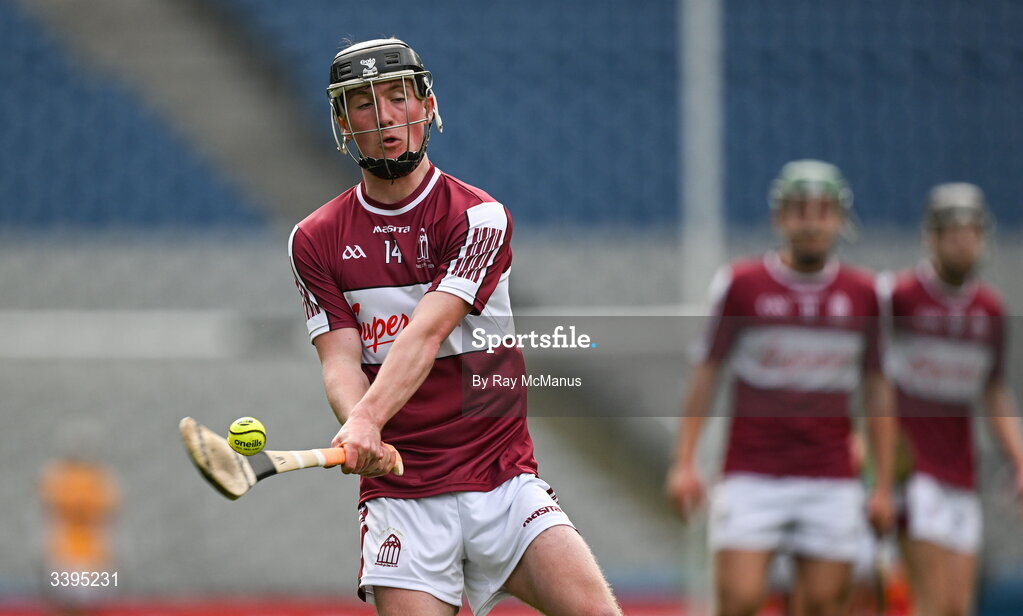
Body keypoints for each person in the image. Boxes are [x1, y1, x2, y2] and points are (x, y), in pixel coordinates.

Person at [288, 38, 622, 616]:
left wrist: (367, 417)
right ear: (342, 121)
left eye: (398, 97)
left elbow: (426, 332)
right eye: (364, 104)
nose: (386, 117)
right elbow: (339, 361)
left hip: (502, 480)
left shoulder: (478, 218)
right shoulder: (314, 239)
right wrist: (360, 429)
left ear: (428, 105)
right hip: (402, 496)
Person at [665, 160, 896, 616]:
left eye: (822, 210)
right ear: (779, 218)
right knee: (740, 600)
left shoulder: (865, 293)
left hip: (830, 476)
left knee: (825, 605)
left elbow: (878, 390)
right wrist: (684, 461)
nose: (811, 221)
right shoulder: (741, 285)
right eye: (799, 209)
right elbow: (706, 373)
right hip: (753, 471)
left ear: (839, 219)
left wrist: (883, 485)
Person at [881, 183, 1023, 616]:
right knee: (931, 603)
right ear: (932, 236)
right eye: (954, 231)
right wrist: (881, 466)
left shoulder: (990, 311)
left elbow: (993, 391)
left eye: (972, 231)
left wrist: (1019, 460)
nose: (964, 241)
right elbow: (874, 381)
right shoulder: (900, 298)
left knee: (958, 608)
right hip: (915, 472)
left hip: (961, 470)